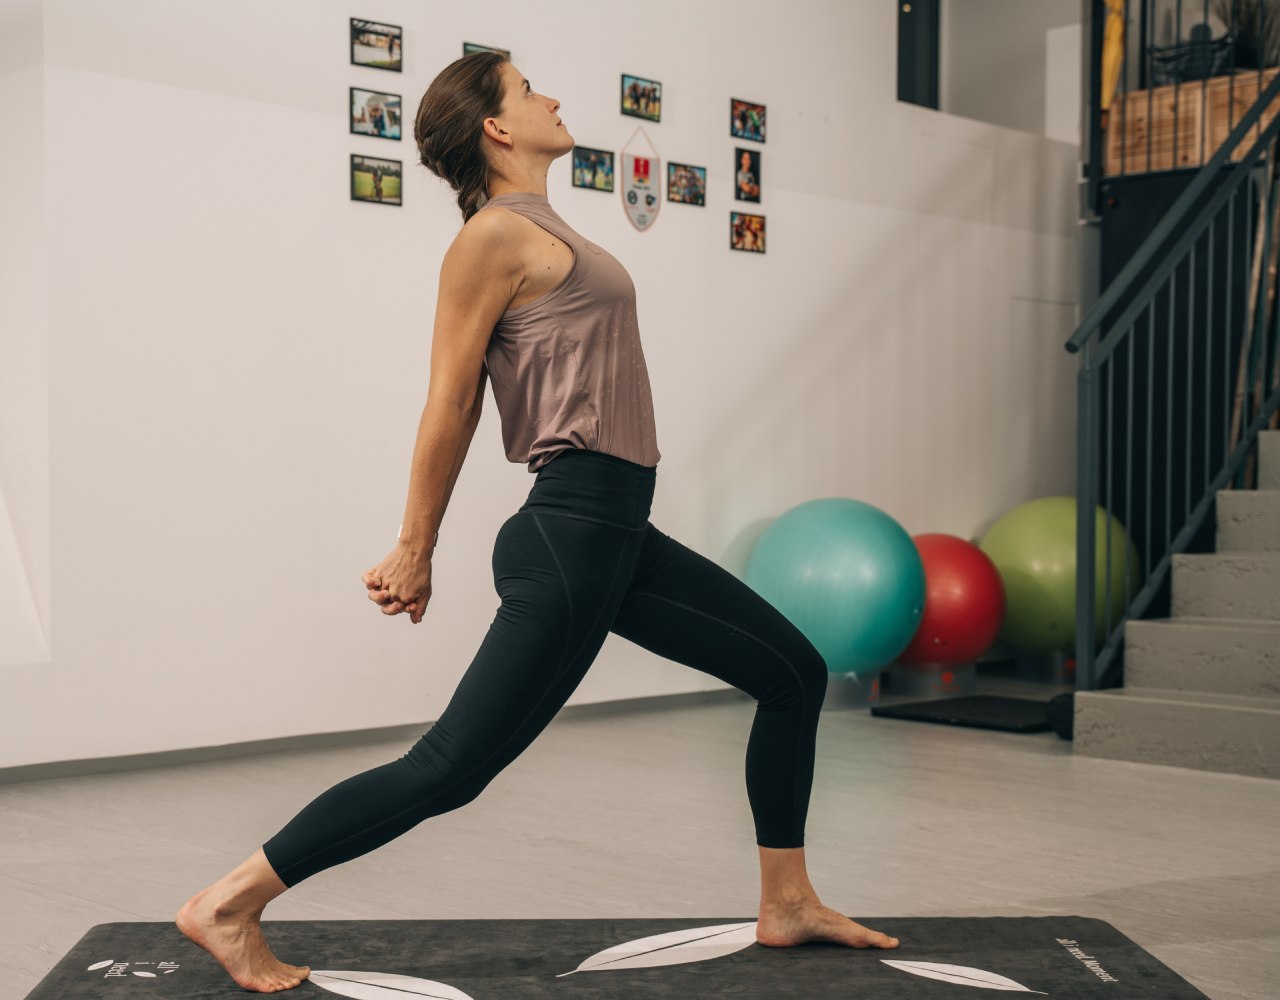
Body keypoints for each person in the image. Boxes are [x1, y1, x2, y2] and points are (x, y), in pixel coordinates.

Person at [174, 50, 900, 994]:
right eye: (528, 89)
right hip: (571, 534)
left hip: (618, 534)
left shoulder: (550, 227)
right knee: (449, 769)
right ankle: (228, 904)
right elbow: (452, 400)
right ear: (497, 128)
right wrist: (415, 542)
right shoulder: (490, 237)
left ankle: (788, 900)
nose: (552, 96)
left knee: (793, 672)